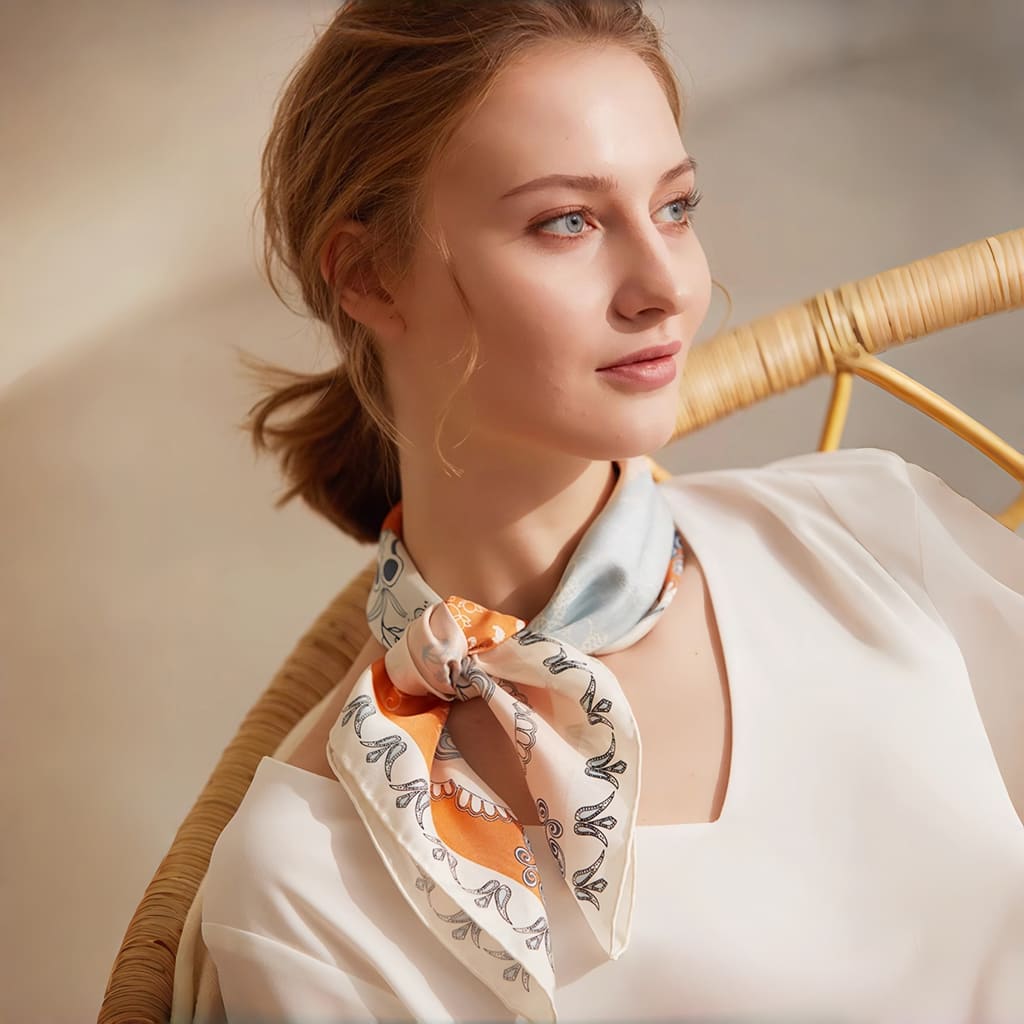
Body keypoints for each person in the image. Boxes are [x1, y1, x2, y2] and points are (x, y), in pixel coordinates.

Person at [199, 2, 1024, 1022]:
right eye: (567, 222)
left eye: (674, 207)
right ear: (368, 273)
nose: (664, 286)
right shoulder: (313, 877)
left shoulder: (865, 533)